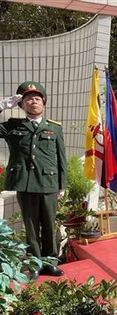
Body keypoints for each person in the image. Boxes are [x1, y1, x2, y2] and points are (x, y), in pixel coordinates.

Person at [0, 82, 67, 280]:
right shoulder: (13, 126)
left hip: (48, 183)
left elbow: (60, 158)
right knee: (30, 227)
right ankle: (35, 264)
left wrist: (62, 184)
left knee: (48, 224)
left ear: (43, 103)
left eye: (37, 98)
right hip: (26, 183)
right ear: (22, 104)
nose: (34, 101)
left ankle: (50, 263)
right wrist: (2, 106)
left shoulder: (54, 128)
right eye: (29, 98)